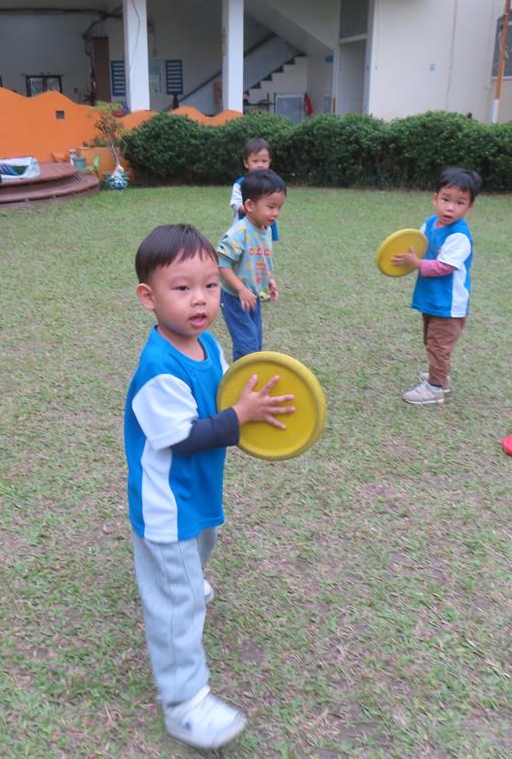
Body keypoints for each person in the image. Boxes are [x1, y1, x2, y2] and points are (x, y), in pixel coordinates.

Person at [125, 224, 295, 750]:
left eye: (210, 285)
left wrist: (251, 413)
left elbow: (226, 399)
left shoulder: (208, 346)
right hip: (167, 505)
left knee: (205, 544)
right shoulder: (158, 369)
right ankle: (184, 704)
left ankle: (183, 578)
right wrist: (239, 419)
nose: (199, 299)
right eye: (182, 288)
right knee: (178, 606)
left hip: (197, 495)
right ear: (149, 297)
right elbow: (183, 437)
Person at [391, 166, 483, 405]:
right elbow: (417, 246)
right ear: (435, 199)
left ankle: (435, 388)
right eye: (445, 199)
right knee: (431, 341)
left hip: (449, 304)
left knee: (438, 345)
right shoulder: (430, 223)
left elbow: (443, 267)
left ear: (469, 207)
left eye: (460, 202)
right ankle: (440, 376)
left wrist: (415, 262)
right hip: (431, 298)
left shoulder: (459, 236)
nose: (450, 207)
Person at [217, 169, 286, 361]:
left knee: (254, 343)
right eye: (271, 207)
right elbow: (222, 265)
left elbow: (261, 258)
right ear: (249, 205)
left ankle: (248, 374)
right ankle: (242, 376)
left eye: (279, 207)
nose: (276, 213)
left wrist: (269, 279)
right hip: (234, 298)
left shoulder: (265, 229)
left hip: (252, 296)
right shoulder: (239, 233)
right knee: (247, 346)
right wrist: (241, 290)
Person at [229, 138, 280, 244]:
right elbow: (235, 204)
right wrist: (253, 208)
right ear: (246, 163)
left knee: (263, 249)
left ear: (269, 162)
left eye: (264, 161)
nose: (260, 165)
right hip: (244, 226)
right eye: (255, 161)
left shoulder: (272, 183)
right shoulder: (240, 184)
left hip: (265, 225)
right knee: (245, 249)